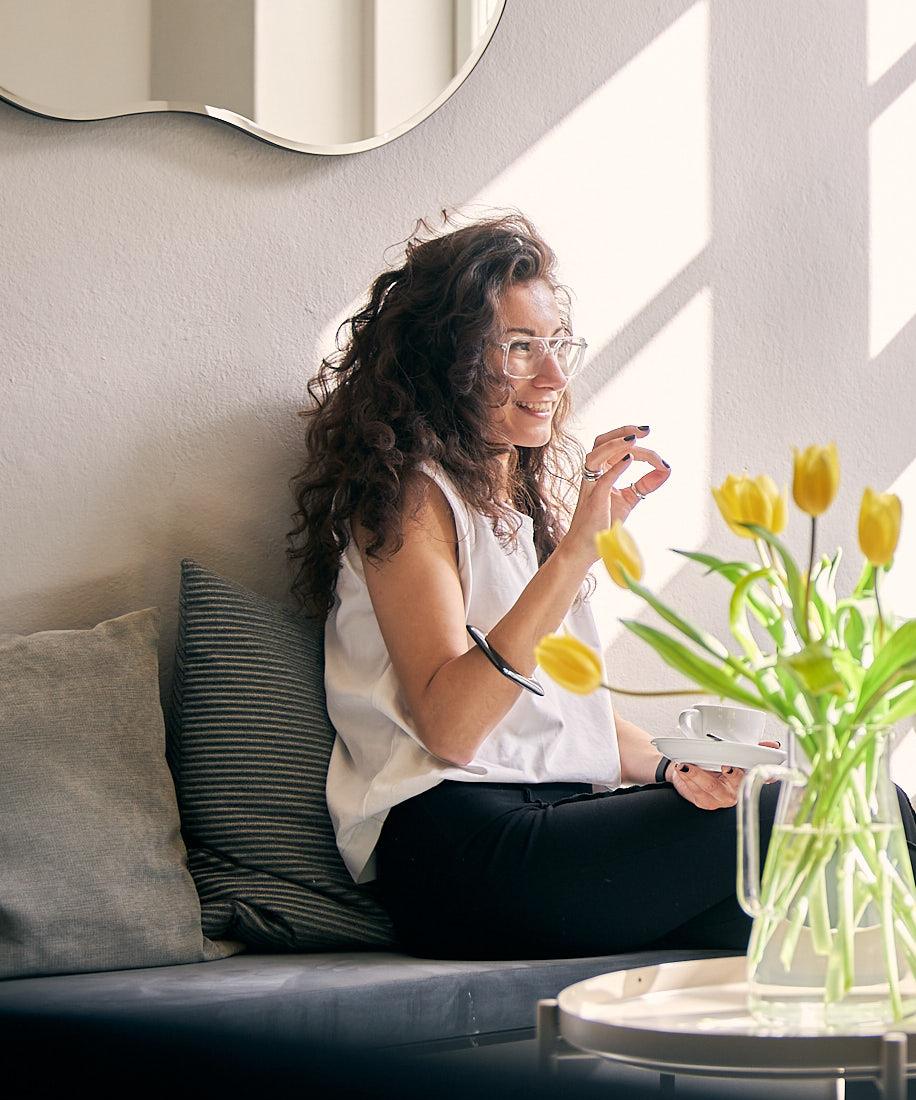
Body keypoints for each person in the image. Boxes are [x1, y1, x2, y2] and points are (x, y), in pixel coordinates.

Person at [290, 213, 747, 959]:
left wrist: (673, 765)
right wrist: (575, 555)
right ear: (449, 358)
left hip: (552, 823)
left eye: (556, 344)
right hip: (459, 847)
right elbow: (452, 725)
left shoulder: (516, 510)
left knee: (852, 850)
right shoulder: (410, 498)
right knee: (813, 824)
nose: (555, 377)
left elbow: (561, 719)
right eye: (520, 348)